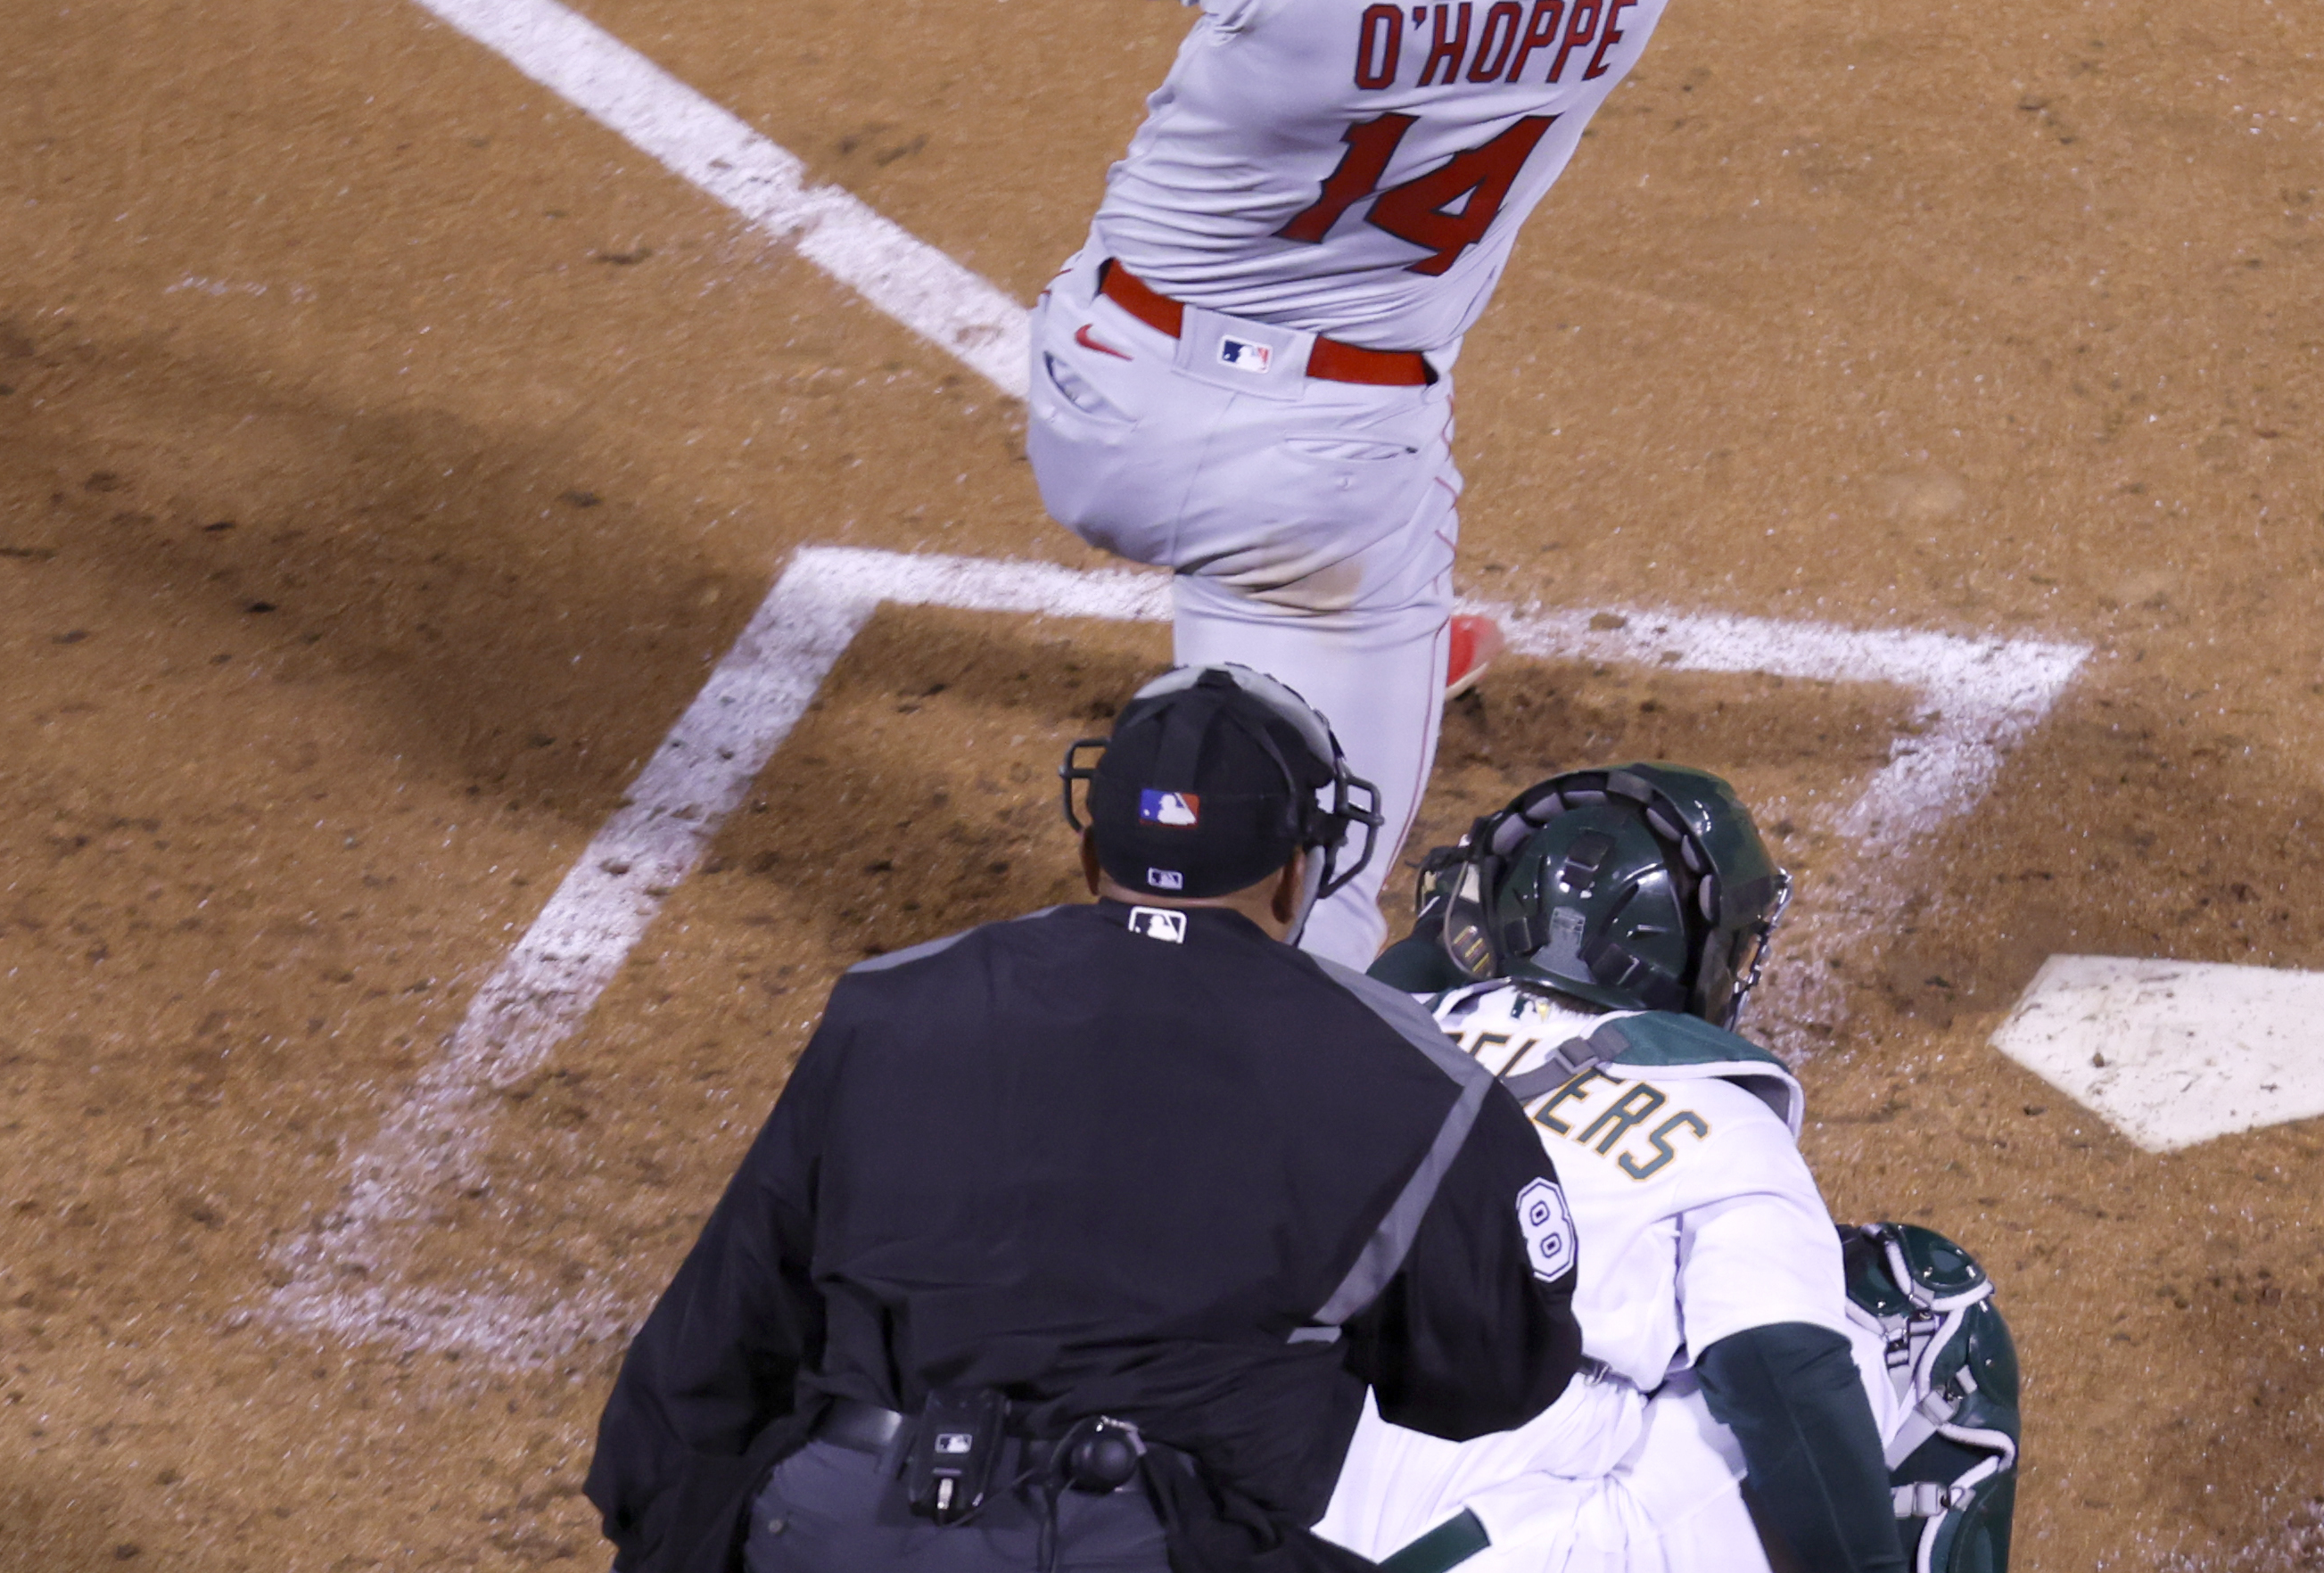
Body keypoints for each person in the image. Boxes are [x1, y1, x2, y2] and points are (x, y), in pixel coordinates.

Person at [988, 0, 1725, 960]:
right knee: (1321, 910)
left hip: (1099, 406)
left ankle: (1329, 641)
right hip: (1323, 481)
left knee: (1319, 556)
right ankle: (1340, 656)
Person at [583, 666, 1588, 1573]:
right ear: (1296, 872)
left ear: (1092, 843)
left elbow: (711, 1349)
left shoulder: (889, 1005)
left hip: (830, 1524)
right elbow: (1488, 1381)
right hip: (1137, 1545)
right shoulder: (1409, 1077)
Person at [1318, 768, 2024, 1573]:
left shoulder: (1358, 1038)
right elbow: (1781, 1376)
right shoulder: (1724, 1126)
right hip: (1499, 1546)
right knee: (1908, 1309)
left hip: (1252, 1511)